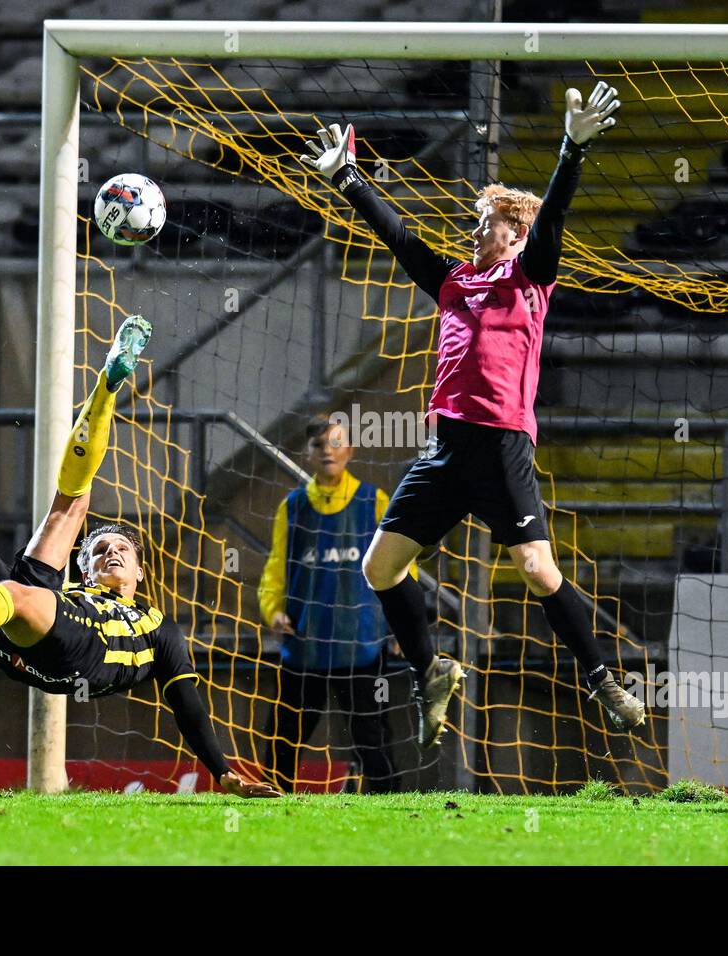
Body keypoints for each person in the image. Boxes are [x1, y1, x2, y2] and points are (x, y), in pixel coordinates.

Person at [299, 80, 646, 747]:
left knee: (539, 569)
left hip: (500, 444)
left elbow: (552, 224)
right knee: (379, 567)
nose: (475, 229)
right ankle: (431, 668)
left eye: (487, 222)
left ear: (515, 235)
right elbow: (402, 241)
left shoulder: (531, 276)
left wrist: (570, 150)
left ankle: (603, 680)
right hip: (444, 449)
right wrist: (348, 178)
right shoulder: (456, 281)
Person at [0, 314, 277, 798]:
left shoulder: (159, 627)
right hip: (38, 635)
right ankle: (109, 383)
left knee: (51, 543)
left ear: (140, 569)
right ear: (84, 568)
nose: (111, 551)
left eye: (122, 549)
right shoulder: (71, 591)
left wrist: (223, 773)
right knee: (66, 511)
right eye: (98, 551)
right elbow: (2, 591)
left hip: (82, 662)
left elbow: (186, 702)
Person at [258, 415, 407, 792]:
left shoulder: (374, 501)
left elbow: (400, 567)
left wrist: (402, 625)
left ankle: (390, 804)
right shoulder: (292, 507)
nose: (328, 451)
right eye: (319, 445)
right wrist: (273, 610)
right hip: (305, 642)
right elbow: (276, 566)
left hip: (360, 644)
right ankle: (272, 794)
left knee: (371, 733)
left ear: (350, 450)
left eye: (336, 443)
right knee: (284, 731)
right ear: (307, 453)